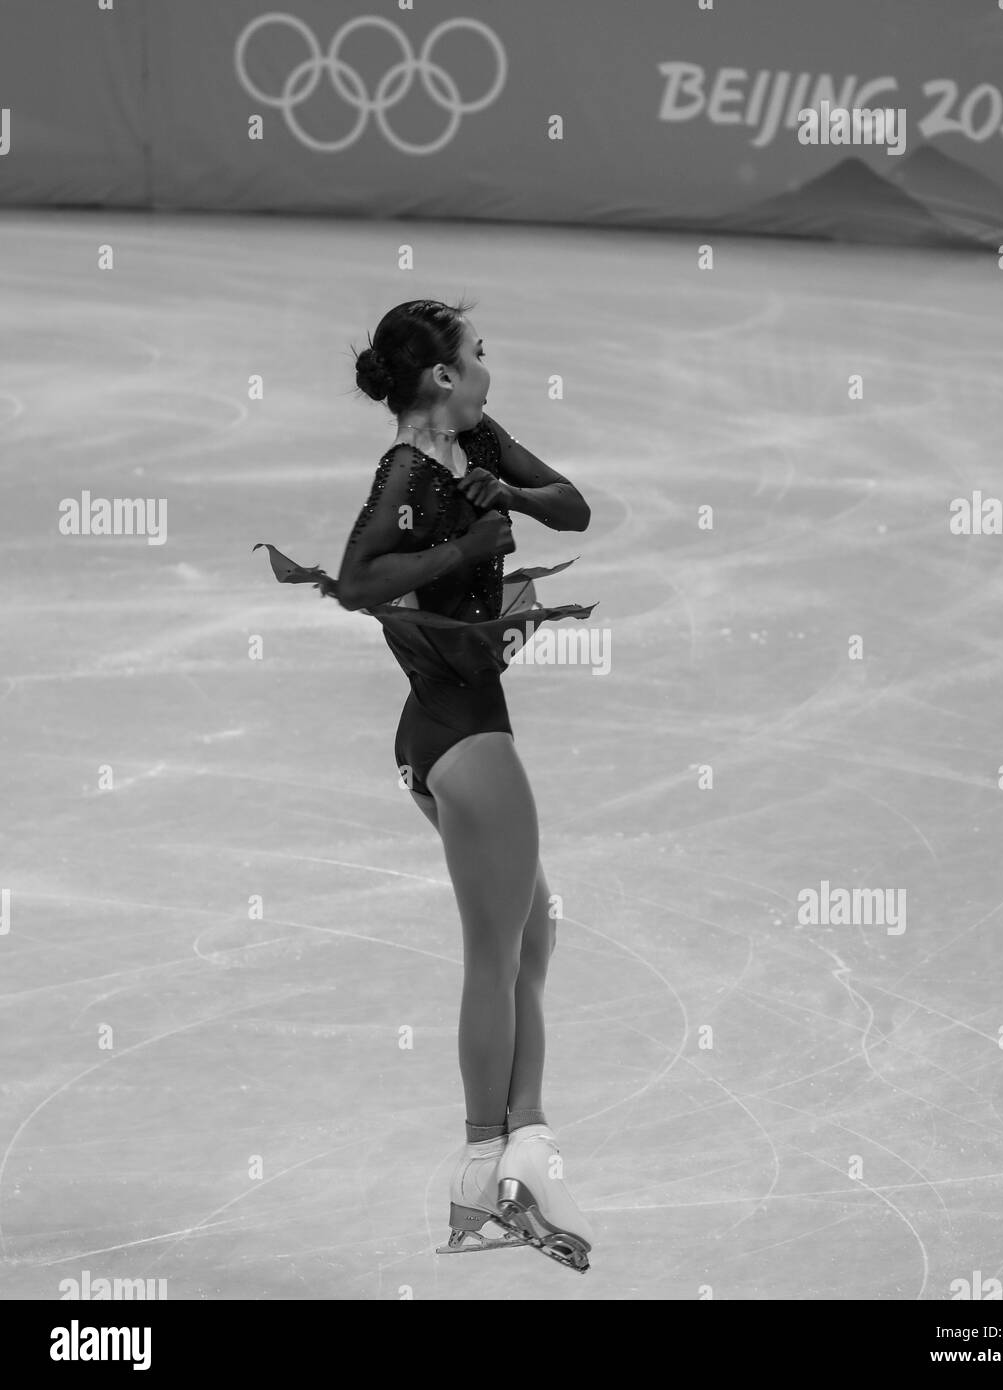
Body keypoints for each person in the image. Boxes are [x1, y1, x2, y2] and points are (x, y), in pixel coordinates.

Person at [254, 298, 597, 1272]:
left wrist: (512, 500)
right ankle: (505, 1158)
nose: (489, 367)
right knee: (495, 952)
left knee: (530, 935)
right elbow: (359, 580)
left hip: (452, 726)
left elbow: (573, 505)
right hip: (458, 733)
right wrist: (469, 548)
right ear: (440, 376)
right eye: (477, 354)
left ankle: (492, 1178)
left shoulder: (475, 441)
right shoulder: (403, 472)